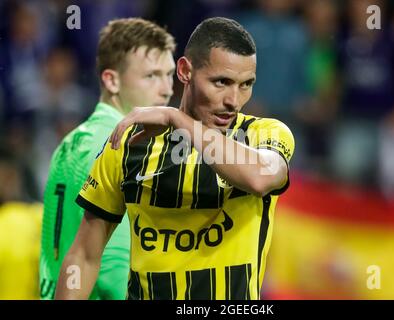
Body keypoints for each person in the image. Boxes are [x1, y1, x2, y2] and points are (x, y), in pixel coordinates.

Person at [56, 17, 294, 300]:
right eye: (221, 82)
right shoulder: (131, 144)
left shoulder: (263, 134)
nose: (234, 100)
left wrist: (175, 117)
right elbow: (84, 257)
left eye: (246, 84)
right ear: (185, 71)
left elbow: (260, 177)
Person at [40, 18, 176, 299]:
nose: (166, 89)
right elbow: (115, 272)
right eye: (151, 76)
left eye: (169, 74)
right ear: (111, 80)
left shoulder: (70, 143)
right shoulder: (122, 147)